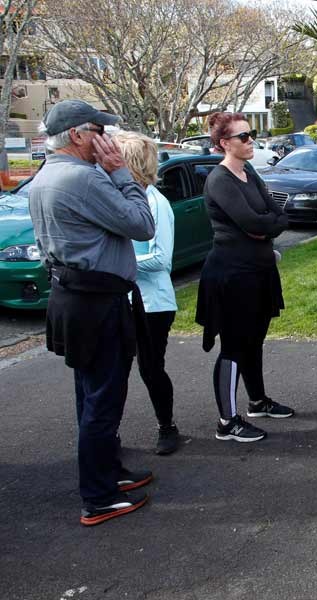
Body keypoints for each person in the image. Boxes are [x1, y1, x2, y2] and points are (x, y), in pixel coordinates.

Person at [28, 100, 156, 525]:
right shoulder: (83, 179)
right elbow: (142, 224)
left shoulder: (46, 175)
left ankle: (107, 472)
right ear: (79, 135)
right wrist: (121, 172)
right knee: (103, 399)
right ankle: (98, 496)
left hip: (74, 297)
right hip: (98, 302)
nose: (109, 138)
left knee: (89, 393)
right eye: (101, 130)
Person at [195, 112, 292, 443]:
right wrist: (265, 223)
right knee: (235, 346)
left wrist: (266, 224)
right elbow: (254, 222)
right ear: (225, 144)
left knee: (254, 341)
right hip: (232, 275)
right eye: (244, 137)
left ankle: (257, 401)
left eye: (251, 135)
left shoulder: (248, 171)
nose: (251, 141)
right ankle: (227, 421)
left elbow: (278, 214)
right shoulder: (220, 180)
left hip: (259, 271)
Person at [114, 131, 181, 455]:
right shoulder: (122, 199)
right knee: (116, 369)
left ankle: (167, 427)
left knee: (150, 367)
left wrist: (118, 263)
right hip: (121, 299)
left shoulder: (156, 203)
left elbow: (161, 260)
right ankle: (109, 435)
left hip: (153, 303)